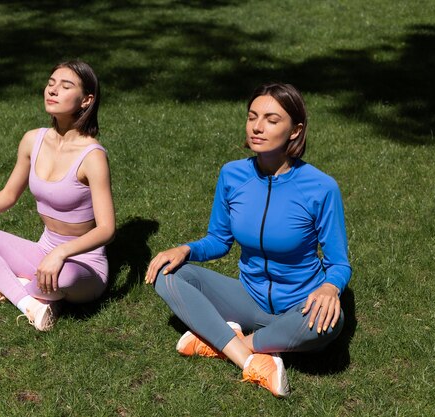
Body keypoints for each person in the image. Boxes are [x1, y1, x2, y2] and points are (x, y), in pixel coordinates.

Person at [145, 83, 351, 397]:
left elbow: (338, 263)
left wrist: (329, 287)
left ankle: (225, 341)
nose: (257, 126)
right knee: (168, 274)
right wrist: (186, 248)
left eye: (271, 119)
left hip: (299, 306)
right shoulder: (232, 175)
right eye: (252, 116)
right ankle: (253, 360)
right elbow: (219, 239)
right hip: (247, 296)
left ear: (295, 130)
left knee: (328, 324)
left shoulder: (321, 188)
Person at [0, 60, 115, 331]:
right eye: (50, 84)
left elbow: (107, 229)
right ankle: (30, 302)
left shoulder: (93, 156)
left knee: (64, 276)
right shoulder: (32, 140)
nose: (52, 91)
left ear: (86, 100)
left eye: (65, 86)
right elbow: (8, 194)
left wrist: (61, 253)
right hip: (43, 251)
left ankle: (12, 286)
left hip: (83, 264)